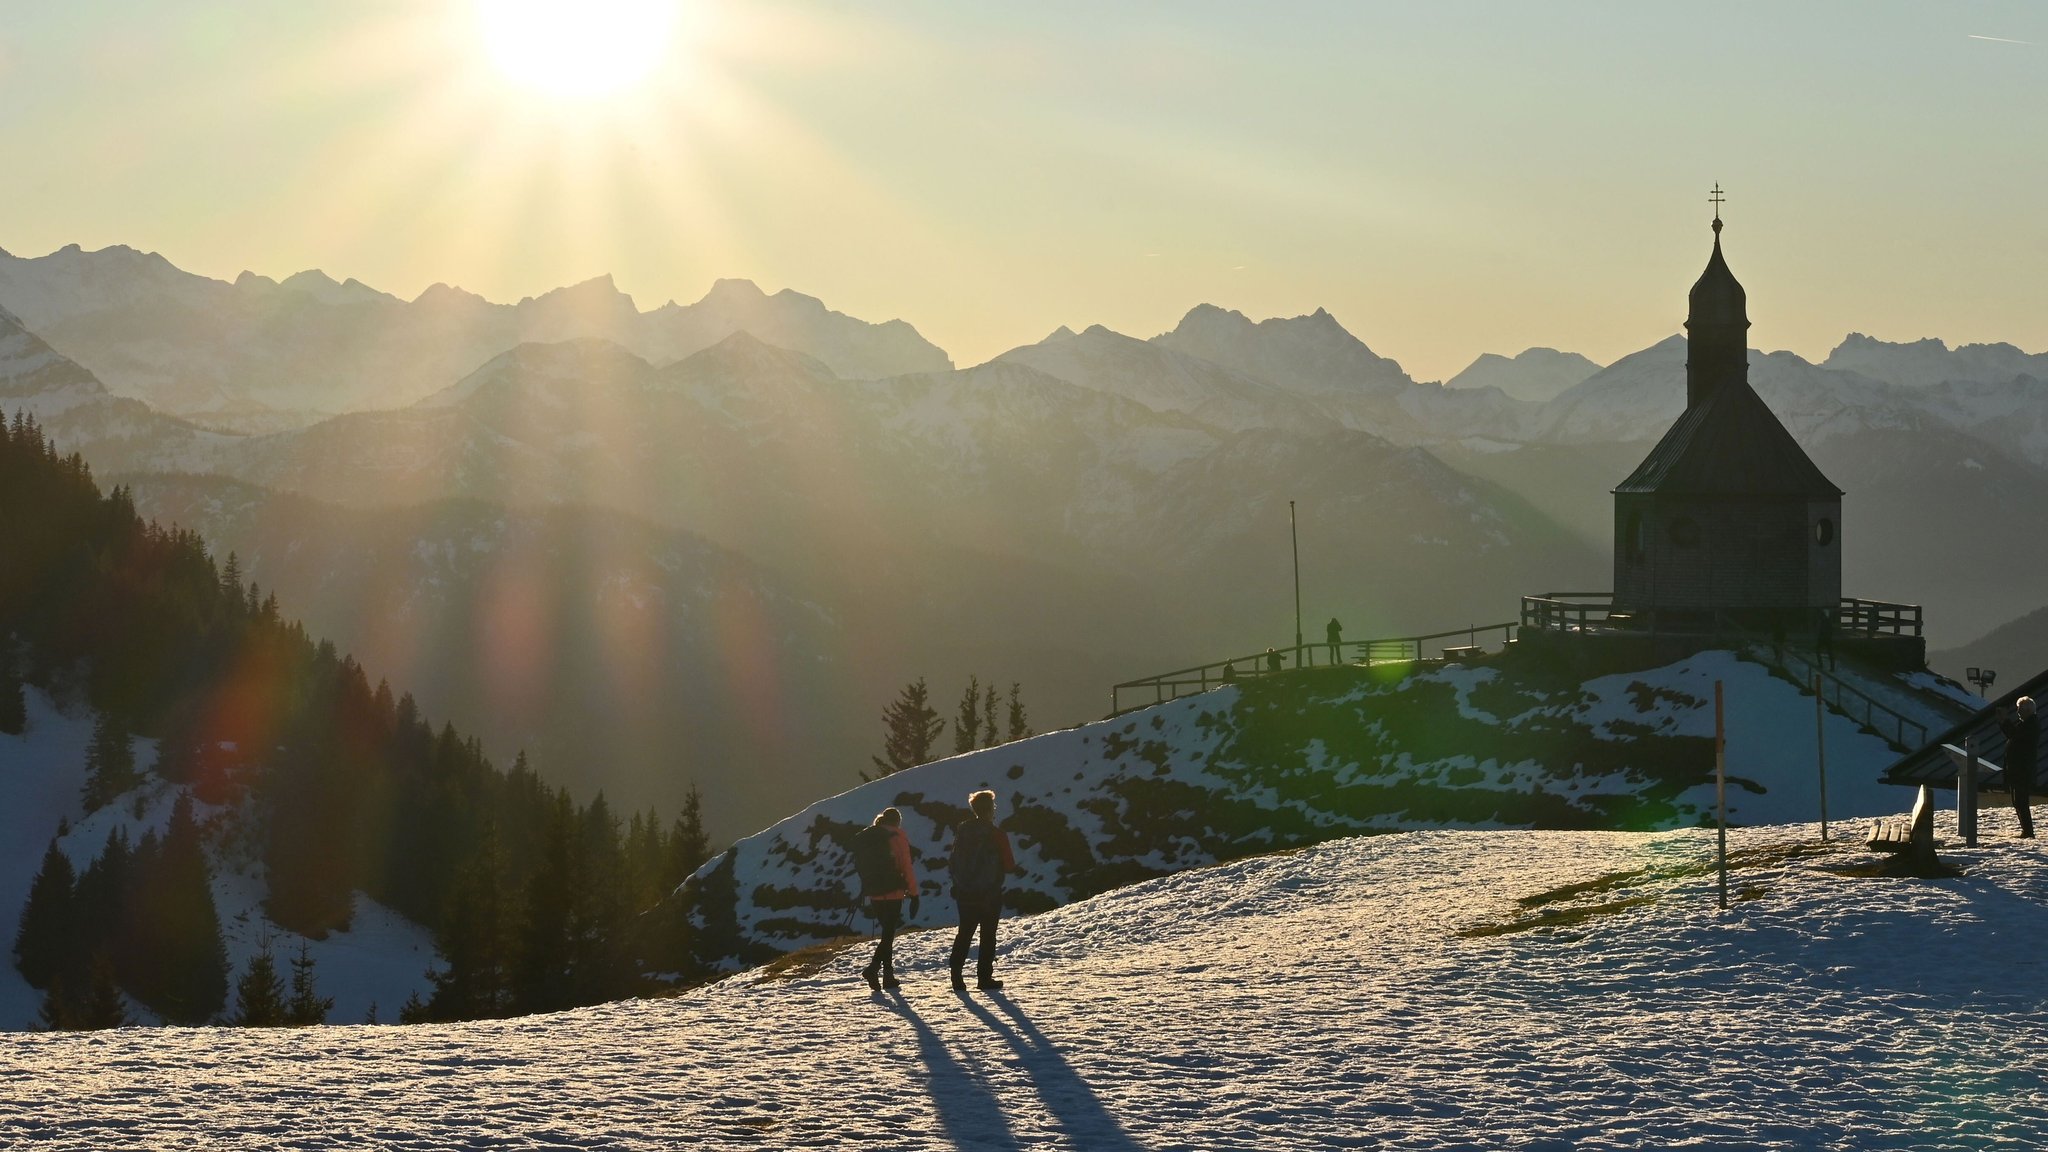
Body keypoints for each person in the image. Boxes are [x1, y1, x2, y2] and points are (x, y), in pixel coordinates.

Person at [947, 790, 1016, 993]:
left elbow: (952, 863)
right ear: (990, 810)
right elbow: (1009, 864)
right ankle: (984, 978)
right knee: (988, 935)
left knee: (964, 933)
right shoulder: (996, 834)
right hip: (989, 894)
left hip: (965, 894)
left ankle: (956, 977)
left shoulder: (962, 833)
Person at [852, 807, 918, 990]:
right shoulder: (897, 836)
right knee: (888, 934)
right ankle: (874, 969)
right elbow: (906, 866)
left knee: (886, 933)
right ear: (897, 822)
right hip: (894, 891)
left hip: (874, 891)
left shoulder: (870, 836)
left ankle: (888, 976)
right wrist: (914, 894)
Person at [1997, 696, 2037, 839]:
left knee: (2021, 801)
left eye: (2020, 709)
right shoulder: (2026, 723)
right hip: (2018, 769)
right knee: (2018, 801)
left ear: (2028, 710)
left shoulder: (2031, 724)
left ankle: (2028, 831)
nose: (2018, 713)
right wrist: (2004, 722)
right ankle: (2026, 830)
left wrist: (2005, 721)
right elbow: (2013, 735)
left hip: (2022, 769)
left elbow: (2015, 736)